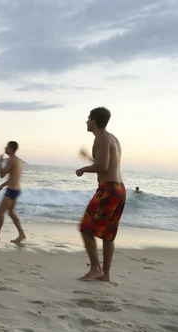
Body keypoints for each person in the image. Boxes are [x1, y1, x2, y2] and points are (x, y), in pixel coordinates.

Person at [76, 107, 125, 282]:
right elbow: (106, 164)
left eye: (88, 118)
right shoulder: (112, 138)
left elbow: (102, 167)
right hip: (119, 189)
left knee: (85, 227)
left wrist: (83, 169)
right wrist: (89, 159)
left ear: (94, 121)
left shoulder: (101, 138)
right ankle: (106, 274)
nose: (86, 122)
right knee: (108, 234)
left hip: (108, 190)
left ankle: (95, 268)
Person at [0, 141, 25, 243]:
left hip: (11, 191)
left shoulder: (11, 161)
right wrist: (2, 186)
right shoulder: (18, 161)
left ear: (11, 149)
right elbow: (13, 178)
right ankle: (21, 234)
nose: (5, 148)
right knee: (11, 213)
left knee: (0, 213)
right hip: (16, 190)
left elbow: (2, 174)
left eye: (7, 147)